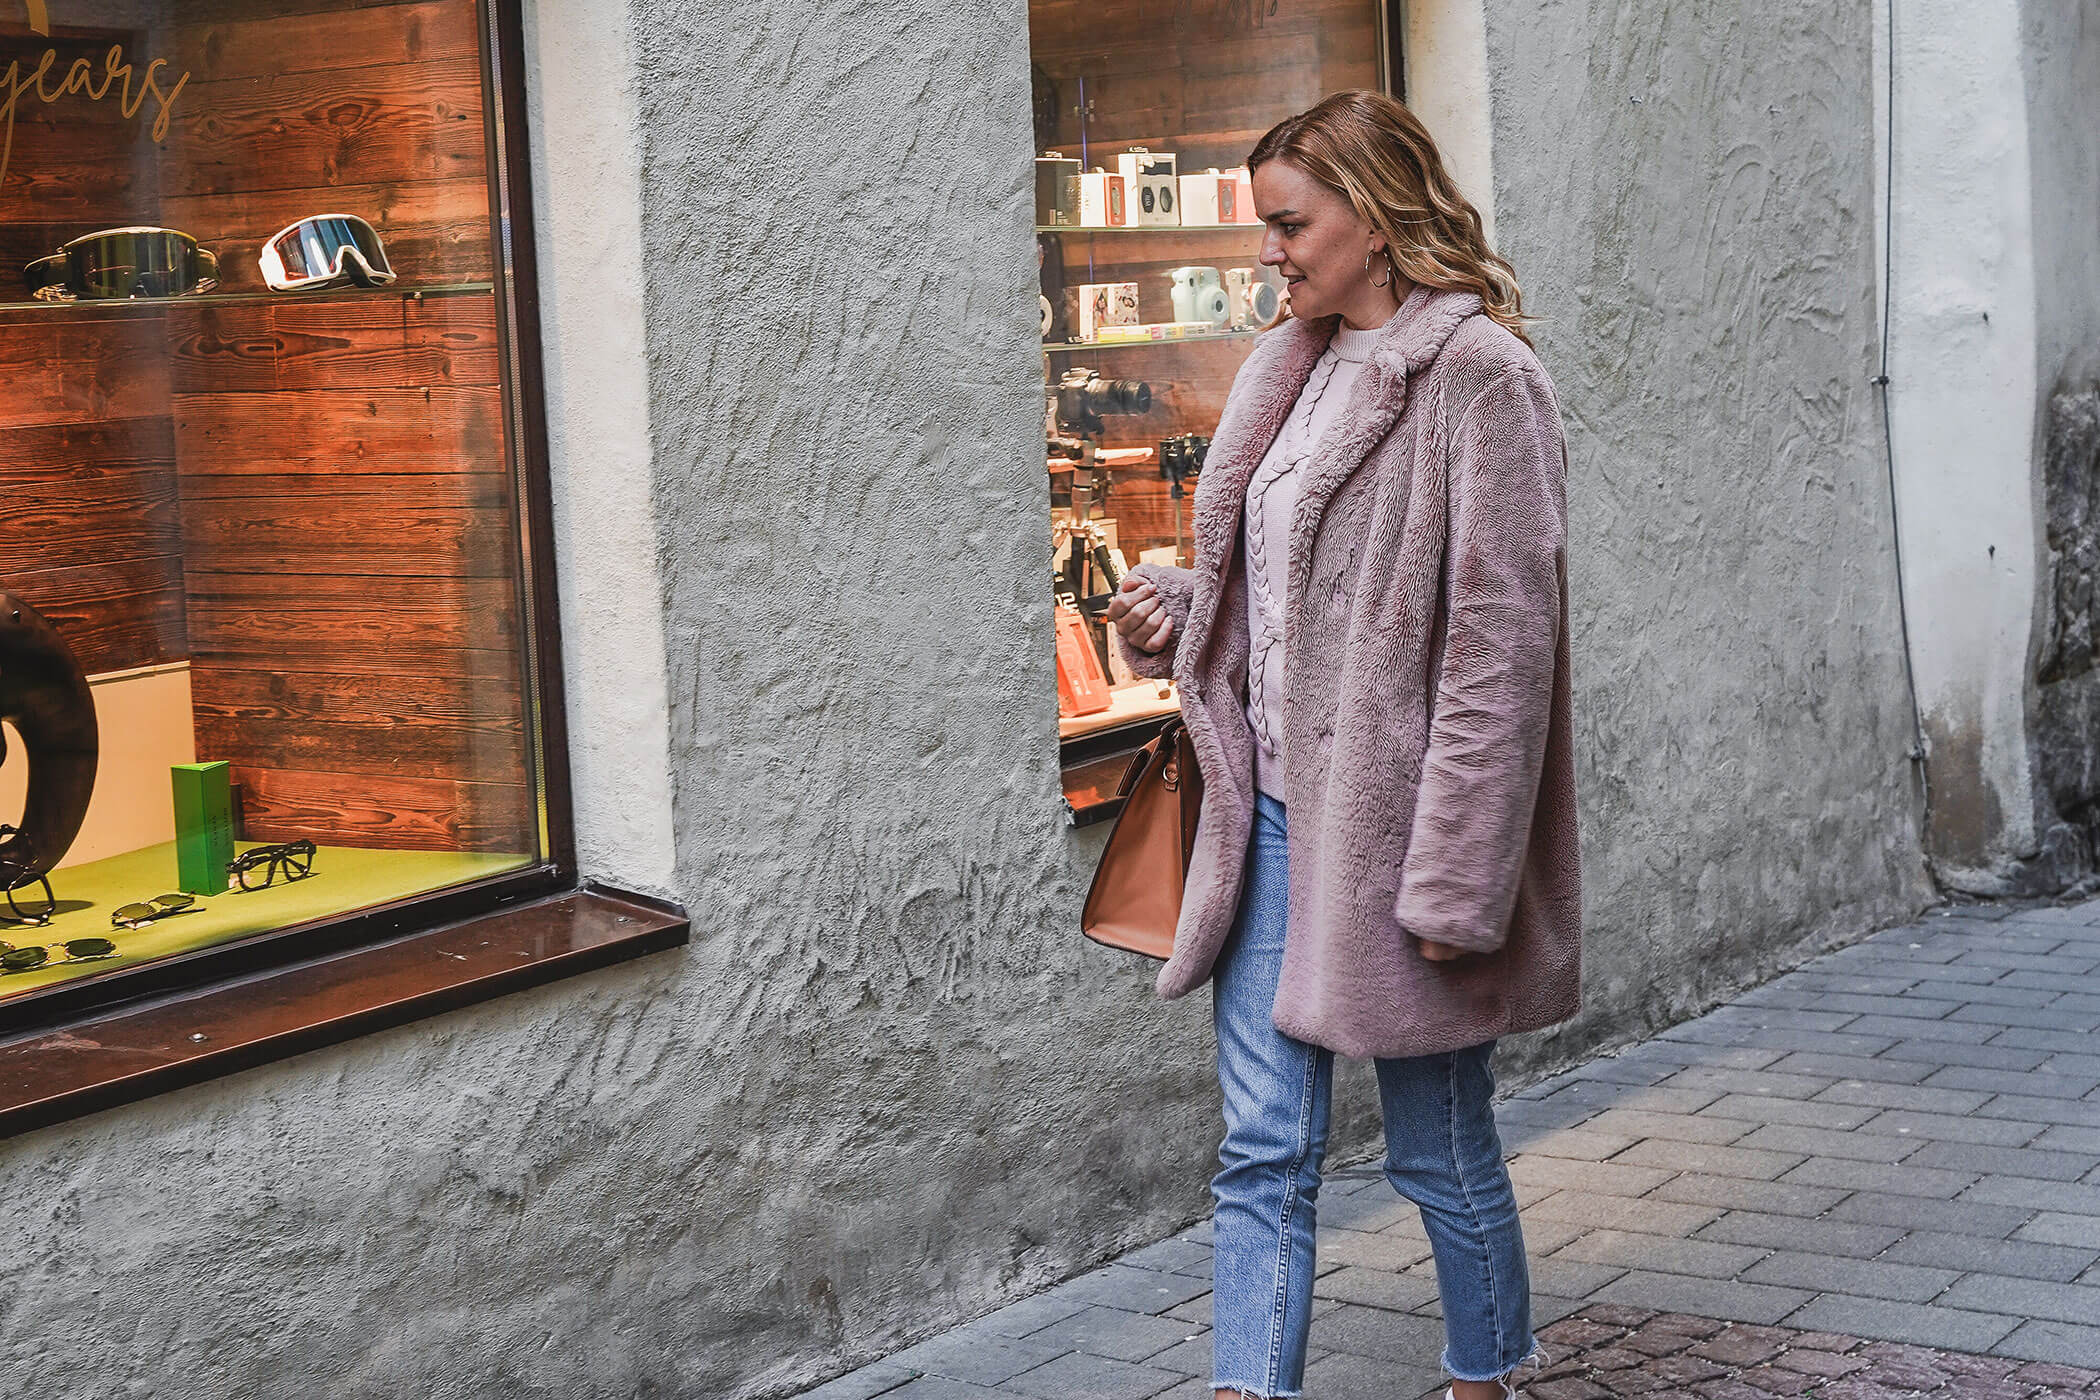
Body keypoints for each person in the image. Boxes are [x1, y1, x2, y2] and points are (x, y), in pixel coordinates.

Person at [1103, 89, 1582, 1400]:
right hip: (1268, 817)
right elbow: (1269, 592)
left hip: (1398, 831)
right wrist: (1179, 604)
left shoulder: (1484, 382)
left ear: (1373, 217)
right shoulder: (1288, 371)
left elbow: (1502, 660)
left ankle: (1486, 1377)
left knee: (1436, 1149)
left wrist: (1459, 883)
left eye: (1288, 222)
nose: (1269, 250)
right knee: (1261, 1148)